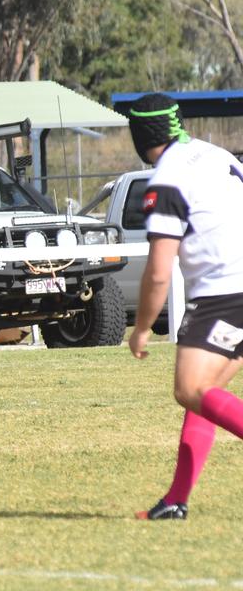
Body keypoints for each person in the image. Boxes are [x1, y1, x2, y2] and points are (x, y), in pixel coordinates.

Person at [126, 93, 243, 520]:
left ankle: (176, 499)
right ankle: (176, 500)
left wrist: (140, 328)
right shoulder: (213, 154)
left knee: (189, 389)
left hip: (226, 292)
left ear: (140, 135)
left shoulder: (168, 177)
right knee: (205, 395)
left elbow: (159, 271)